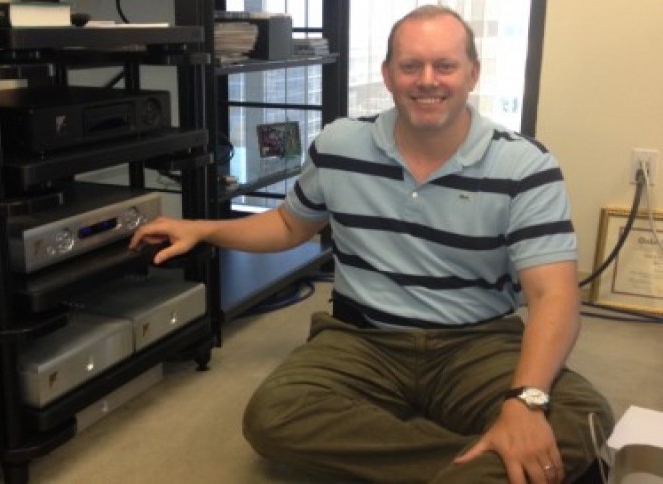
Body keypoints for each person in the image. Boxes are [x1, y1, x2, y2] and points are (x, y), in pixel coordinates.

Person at [129, 5, 614, 483]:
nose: (428, 80)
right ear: (387, 75)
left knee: (583, 418)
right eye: (410, 66)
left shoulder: (524, 166)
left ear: (473, 73)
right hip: (362, 340)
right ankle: (490, 463)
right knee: (275, 416)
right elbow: (287, 225)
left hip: (477, 343)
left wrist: (525, 401)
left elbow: (554, 296)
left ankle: (499, 452)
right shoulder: (340, 145)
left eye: (445, 65)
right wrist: (201, 228)